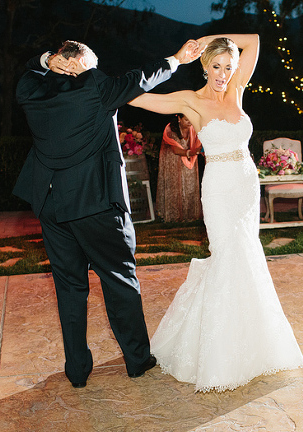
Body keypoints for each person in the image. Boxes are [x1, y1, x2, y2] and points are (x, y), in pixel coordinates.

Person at [12, 38, 202, 388]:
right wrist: (177, 59)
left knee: (69, 287)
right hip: (95, 203)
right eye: (92, 63)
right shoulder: (95, 86)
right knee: (119, 280)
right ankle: (137, 359)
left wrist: (47, 60)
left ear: (58, 62)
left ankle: (77, 371)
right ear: (82, 64)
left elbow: (28, 71)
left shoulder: (31, 91)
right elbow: (140, 77)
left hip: (51, 206)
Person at [130, 34, 303, 392]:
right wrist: (178, 57)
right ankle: (218, 353)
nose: (223, 74)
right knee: (227, 256)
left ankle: (253, 344)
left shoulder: (237, 90)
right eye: (216, 66)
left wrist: (214, 40)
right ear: (205, 66)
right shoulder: (191, 101)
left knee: (247, 257)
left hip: (245, 183)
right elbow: (138, 97)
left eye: (228, 67)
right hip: (218, 188)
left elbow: (256, 41)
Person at [157, 114, 203, 222]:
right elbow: (175, 149)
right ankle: (173, 217)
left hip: (189, 162)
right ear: (179, 118)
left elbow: (199, 144)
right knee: (174, 186)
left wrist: (199, 150)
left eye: (191, 119)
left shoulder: (194, 128)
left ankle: (190, 216)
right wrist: (190, 152)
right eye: (186, 119)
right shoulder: (170, 129)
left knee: (189, 185)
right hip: (172, 162)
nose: (189, 122)